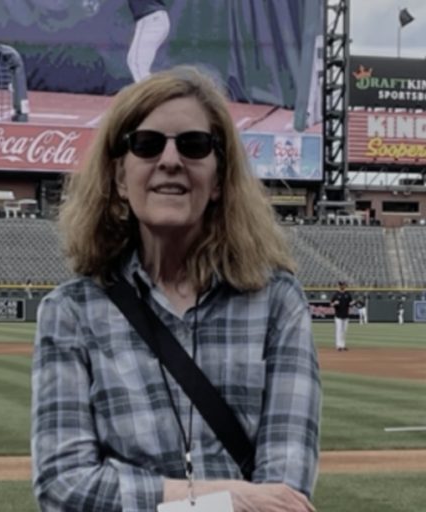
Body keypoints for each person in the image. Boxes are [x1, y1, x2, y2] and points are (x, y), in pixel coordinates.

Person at [31, 66, 321, 512]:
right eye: (146, 145)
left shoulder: (277, 302)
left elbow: (283, 495)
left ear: (220, 178)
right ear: (120, 179)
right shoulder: (70, 311)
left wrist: (144, 493)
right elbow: (63, 486)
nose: (170, 160)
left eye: (194, 145)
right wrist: (226, 497)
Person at [126, 0, 170, 82]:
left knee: (137, 63)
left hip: (150, 19)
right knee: (134, 61)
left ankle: (150, 93)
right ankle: (153, 90)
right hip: (154, 18)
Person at [330, 281, 354, 351]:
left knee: (344, 331)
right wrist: (334, 303)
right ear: (339, 286)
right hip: (338, 316)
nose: (342, 286)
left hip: (346, 315)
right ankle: (338, 345)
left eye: (343, 285)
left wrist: (352, 303)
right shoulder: (336, 294)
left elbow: (350, 303)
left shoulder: (348, 294)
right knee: (339, 330)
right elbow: (331, 304)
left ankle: (343, 345)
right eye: (341, 285)